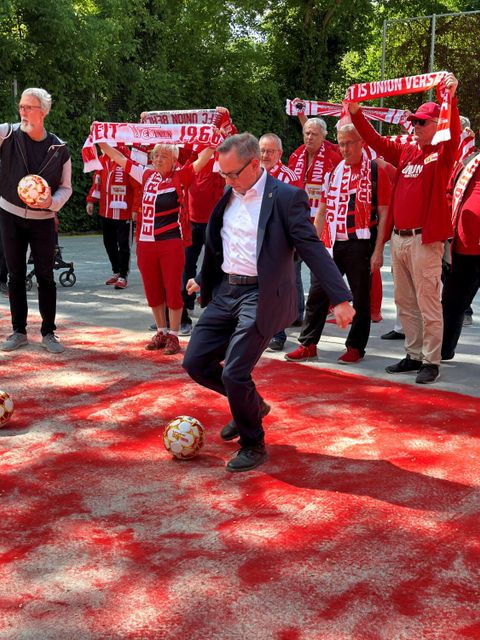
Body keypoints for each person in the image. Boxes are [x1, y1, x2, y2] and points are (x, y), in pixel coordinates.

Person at [182, 133, 354, 473]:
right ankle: (253, 405)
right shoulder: (229, 193)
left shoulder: (286, 198)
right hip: (226, 292)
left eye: (232, 174)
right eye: (223, 175)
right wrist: (203, 278)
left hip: (261, 295)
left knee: (234, 372)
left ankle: (253, 443)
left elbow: (312, 248)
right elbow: (219, 242)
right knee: (196, 362)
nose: (227, 181)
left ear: (255, 164)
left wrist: (341, 297)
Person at [348, 72, 460, 384]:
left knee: (428, 303)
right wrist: (357, 114)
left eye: (422, 122)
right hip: (400, 239)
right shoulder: (408, 150)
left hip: (425, 241)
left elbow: (451, 129)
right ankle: (413, 354)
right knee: (406, 302)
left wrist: (449, 96)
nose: (416, 126)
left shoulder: (443, 152)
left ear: (437, 124)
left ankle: (431, 360)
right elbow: (375, 141)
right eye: (414, 122)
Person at [285, 124, 390, 364]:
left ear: (361, 143)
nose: (344, 148)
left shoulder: (375, 171)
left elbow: (384, 213)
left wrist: (378, 251)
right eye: (341, 143)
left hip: (360, 243)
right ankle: (308, 343)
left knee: (361, 298)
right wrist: (313, 245)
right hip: (331, 243)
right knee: (318, 294)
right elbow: (322, 209)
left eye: (349, 143)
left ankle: (355, 347)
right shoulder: (334, 172)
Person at [98, 140, 214, 355]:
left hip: (170, 242)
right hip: (145, 242)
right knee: (152, 289)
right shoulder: (146, 175)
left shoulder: (181, 176)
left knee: (172, 289)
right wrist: (101, 139)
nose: (158, 159)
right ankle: (161, 331)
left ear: (174, 160)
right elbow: (120, 159)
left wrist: (214, 139)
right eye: (156, 155)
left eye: (163, 156)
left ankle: (174, 335)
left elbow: (203, 158)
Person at [0, 87, 72, 354]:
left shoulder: (60, 148)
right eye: (21, 106)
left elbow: (66, 187)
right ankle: (18, 331)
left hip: (43, 220)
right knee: (15, 274)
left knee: (46, 275)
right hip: (9, 214)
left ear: (42, 112)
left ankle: (48, 333)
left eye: (28, 107)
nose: (22, 111)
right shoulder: (7, 134)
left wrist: (51, 203)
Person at [259, 132, 303, 352]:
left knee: (281, 288)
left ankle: (278, 333)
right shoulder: (252, 174)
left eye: (270, 151)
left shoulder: (289, 176)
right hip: (257, 240)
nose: (265, 155)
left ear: (280, 153)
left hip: (281, 241)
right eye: (263, 150)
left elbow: (295, 210)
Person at [441, 147, 480, 360]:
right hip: (463, 248)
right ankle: (444, 350)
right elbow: (449, 194)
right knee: (451, 303)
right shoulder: (469, 162)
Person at [86, 145, 136, 289]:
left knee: (124, 245)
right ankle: (116, 271)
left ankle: (123, 275)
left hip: (124, 213)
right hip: (106, 211)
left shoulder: (127, 161)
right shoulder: (102, 161)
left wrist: (135, 209)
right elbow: (97, 184)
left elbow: (137, 186)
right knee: (109, 243)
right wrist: (91, 200)